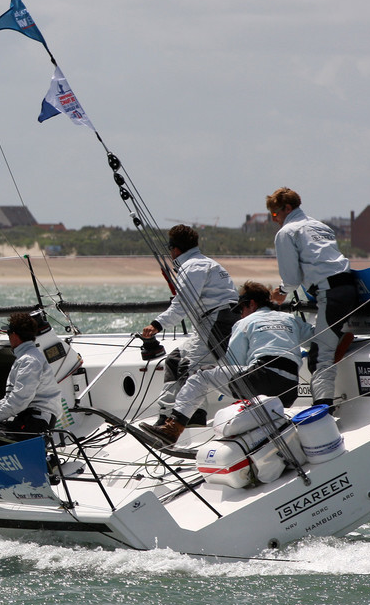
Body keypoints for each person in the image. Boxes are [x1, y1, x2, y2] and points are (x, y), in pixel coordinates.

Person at [139, 281, 311, 447]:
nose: (240, 313)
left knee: (200, 378)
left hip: (261, 378)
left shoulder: (244, 323)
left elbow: (233, 361)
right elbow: (316, 338)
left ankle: (173, 429)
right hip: (290, 387)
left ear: (251, 304)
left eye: (241, 308)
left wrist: (211, 376)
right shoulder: (291, 319)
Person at [268, 187, 358, 407]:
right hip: (350, 289)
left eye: (275, 214)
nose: (275, 220)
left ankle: (323, 410)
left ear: (287, 209)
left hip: (330, 292)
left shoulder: (287, 232)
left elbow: (291, 279)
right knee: (321, 343)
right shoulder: (321, 226)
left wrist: (279, 293)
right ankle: (336, 339)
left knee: (320, 356)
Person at [139, 225, 237, 417]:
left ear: (175, 249)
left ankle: (193, 418)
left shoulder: (193, 267)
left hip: (217, 322)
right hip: (210, 323)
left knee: (190, 367)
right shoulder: (204, 262)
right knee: (174, 360)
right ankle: (166, 415)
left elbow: (183, 304)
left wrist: (156, 325)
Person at [0, 311, 64, 447]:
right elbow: (12, 398)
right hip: (27, 419)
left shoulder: (30, 361)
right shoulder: (25, 358)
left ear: (14, 335)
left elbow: (20, 400)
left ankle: (48, 460)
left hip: (37, 423)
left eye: (8, 334)